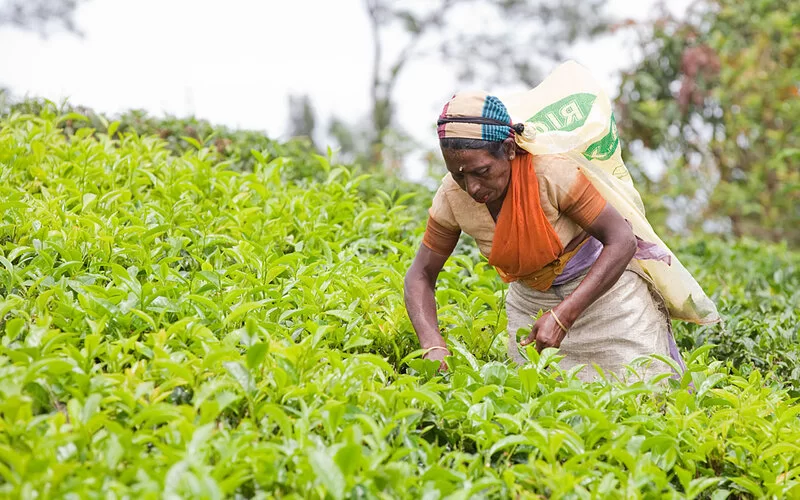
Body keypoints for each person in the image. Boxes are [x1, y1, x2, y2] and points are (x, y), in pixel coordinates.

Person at [403, 91, 683, 382]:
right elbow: (420, 275)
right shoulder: (451, 197)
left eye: (482, 171)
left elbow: (621, 240)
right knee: (539, 404)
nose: (472, 188)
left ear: (510, 149)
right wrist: (432, 345)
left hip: (607, 300)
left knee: (642, 392)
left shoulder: (551, 173)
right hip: (531, 308)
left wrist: (564, 315)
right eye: (459, 176)